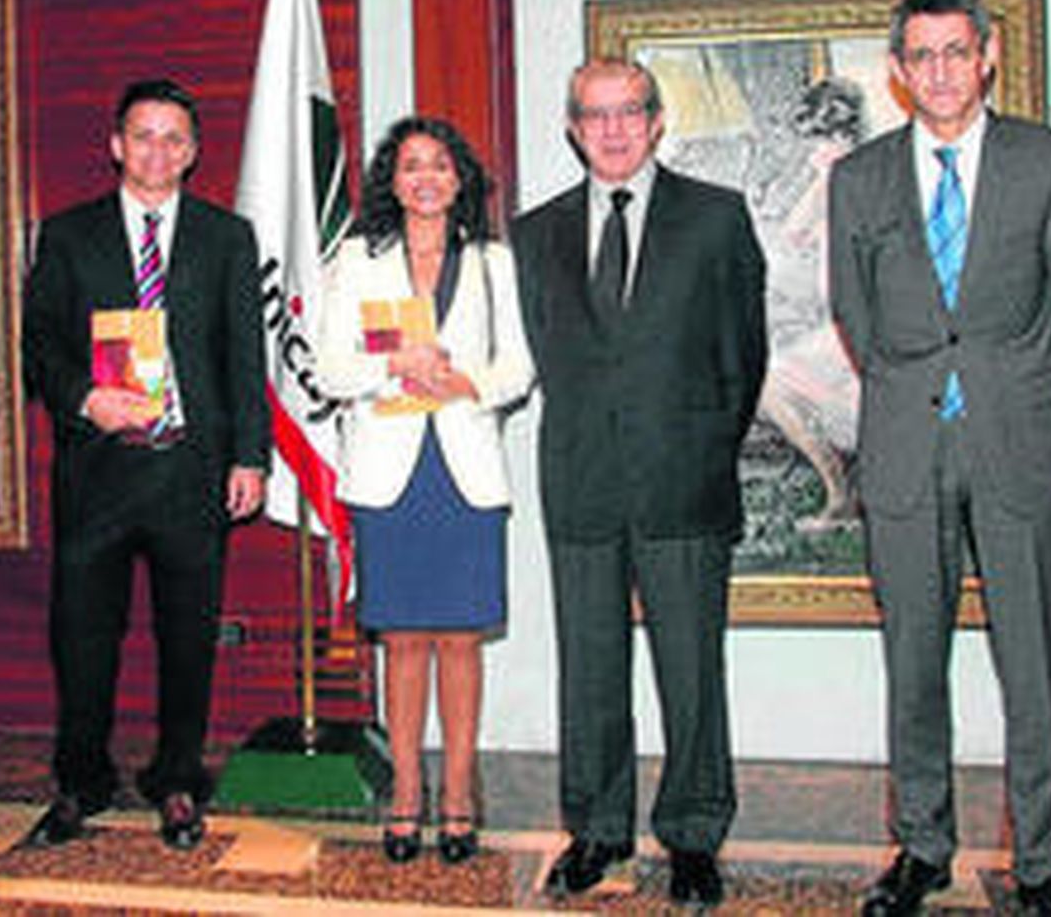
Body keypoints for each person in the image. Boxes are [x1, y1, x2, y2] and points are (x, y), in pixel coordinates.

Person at [828, 0, 1051, 917]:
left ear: (986, 55)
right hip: (905, 443)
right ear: (899, 71)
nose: (940, 71)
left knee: (1033, 661)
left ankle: (1045, 861)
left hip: (1017, 438)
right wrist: (924, 387)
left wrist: (1001, 388)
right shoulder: (859, 178)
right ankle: (922, 847)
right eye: (921, 55)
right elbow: (858, 317)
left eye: (957, 52)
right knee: (913, 660)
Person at [511, 59, 767, 907]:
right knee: (589, 665)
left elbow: (744, 357)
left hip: (684, 481)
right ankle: (596, 828)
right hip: (580, 480)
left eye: (629, 112)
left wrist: (699, 444)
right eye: (595, 114)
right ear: (573, 126)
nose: (613, 129)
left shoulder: (715, 218)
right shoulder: (536, 231)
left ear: (657, 121)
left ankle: (693, 835)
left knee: (692, 667)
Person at [21, 78, 269, 851]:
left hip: (190, 472)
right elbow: (40, 346)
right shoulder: (66, 235)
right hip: (97, 470)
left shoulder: (227, 237)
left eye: (174, 137)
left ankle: (177, 780)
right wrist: (86, 398)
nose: (157, 149)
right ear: (116, 144)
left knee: (188, 636)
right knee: (83, 634)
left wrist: (250, 458)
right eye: (143, 134)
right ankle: (81, 779)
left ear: (192, 152)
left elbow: (242, 356)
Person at [315, 117, 533, 865]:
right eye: (412, 165)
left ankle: (461, 792)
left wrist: (464, 380)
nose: (427, 177)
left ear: (460, 177)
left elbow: (520, 368)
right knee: (404, 639)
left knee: (462, 639)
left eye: (440, 164)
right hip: (388, 471)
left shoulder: (492, 262)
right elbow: (331, 368)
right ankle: (407, 791)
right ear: (392, 179)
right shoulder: (355, 259)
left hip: (464, 467)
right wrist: (393, 370)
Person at [757, 78, 864, 531]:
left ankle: (845, 493)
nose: (814, 153)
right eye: (814, 141)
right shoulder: (830, 180)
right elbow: (788, 240)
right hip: (835, 329)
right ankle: (839, 489)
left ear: (843, 138)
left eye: (823, 140)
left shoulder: (858, 180)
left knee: (773, 380)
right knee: (767, 382)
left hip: (864, 334)